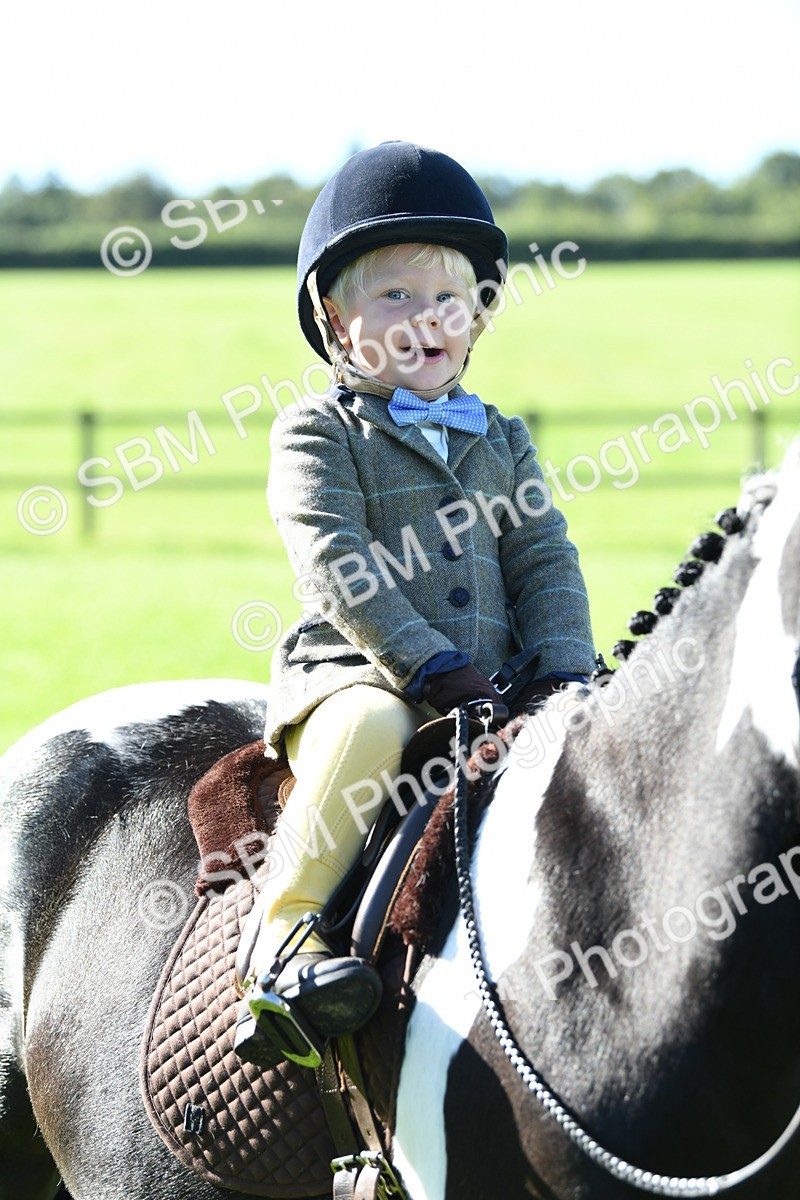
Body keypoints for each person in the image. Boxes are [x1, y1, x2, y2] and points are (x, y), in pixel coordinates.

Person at [241, 141, 595, 1055]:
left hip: (499, 678)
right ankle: (282, 931)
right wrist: (428, 662)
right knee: (371, 728)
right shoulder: (317, 430)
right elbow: (332, 557)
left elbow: (544, 558)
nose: (424, 320)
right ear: (334, 314)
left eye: (448, 299)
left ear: (478, 318)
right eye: (393, 295)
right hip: (359, 670)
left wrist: (564, 669)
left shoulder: (502, 439)